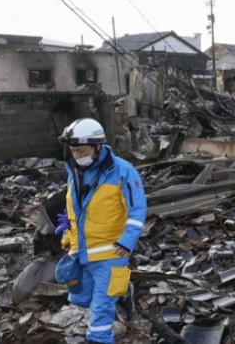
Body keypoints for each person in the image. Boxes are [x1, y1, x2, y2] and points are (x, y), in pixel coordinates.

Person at [55, 118, 147, 344]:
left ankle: (99, 337)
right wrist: (69, 232)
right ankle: (122, 299)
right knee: (81, 298)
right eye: (73, 150)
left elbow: (137, 209)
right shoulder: (75, 172)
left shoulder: (123, 172)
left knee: (99, 316)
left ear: (97, 146)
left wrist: (127, 242)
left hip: (110, 255)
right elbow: (77, 209)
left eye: (81, 150)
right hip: (82, 253)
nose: (76, 155)